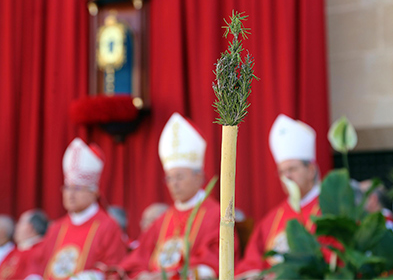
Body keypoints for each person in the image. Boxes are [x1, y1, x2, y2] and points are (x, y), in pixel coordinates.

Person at [113, 112, 232, 279]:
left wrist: (172, 276)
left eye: (180, 177)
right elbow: (136, 260)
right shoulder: (162, 220)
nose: (174, 184)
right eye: (169, 178)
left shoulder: (217, 216)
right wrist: (142, 275)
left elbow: (215, 262)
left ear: (199, 177)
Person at [235, 114, 321, 279]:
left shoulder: (328, 211)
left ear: (311, 170)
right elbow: (251, 262)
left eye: (292, 169)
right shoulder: (272, 219)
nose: (286, 176)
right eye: (282, 171)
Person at [29, 137, 127, 279]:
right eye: (67, 188)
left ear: (94, 193)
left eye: (78, 188)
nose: (71, 195)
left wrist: (95, 276)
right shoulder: (56, 228)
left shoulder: (108, 226)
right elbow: (38, 263)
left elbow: (116, 267)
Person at [0, 209, 48, 279]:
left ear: (30, 227)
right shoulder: (15, 251)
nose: (17, 227)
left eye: (20, 222)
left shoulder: (40, 250)